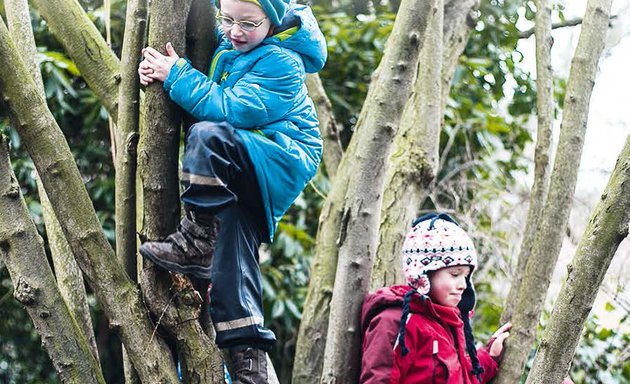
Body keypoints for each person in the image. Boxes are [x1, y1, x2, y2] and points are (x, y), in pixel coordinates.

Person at [136, 0, 327, 382]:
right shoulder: (235, 45)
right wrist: (157, 69)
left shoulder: (283, 63)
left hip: (277, 156)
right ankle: (249, 362)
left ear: (272, 23)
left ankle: (198, 235)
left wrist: (176, 75)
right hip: (250, 159)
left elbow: (231, 109)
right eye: (226, 20)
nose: (234, 31)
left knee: (207, 134)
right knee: (232, 261)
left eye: (248, 23)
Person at [360, 212, 511, 383]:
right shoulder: (395, 322)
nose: (463, 284)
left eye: (466, 276)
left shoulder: (446, 323)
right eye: (455, 274)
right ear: (423, 274)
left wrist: (489, 357)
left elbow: (457, 377)